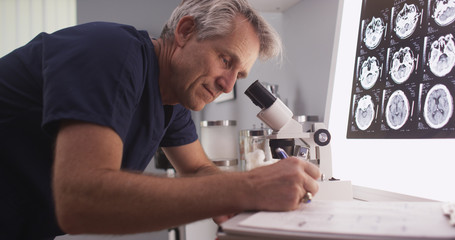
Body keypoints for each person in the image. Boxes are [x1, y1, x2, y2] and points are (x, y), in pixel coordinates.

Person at [0, 0, 321, 239]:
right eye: (225, 60)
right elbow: (81, 200)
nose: (227, 84)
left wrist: (253, 196)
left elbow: (197, 170)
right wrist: (248, 188)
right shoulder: (111, 52)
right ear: (184, 31)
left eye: (238, 75)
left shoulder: (172, 100)